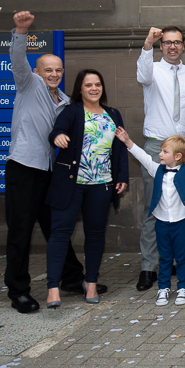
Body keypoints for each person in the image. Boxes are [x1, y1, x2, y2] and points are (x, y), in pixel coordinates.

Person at [4, 11, 87, 313]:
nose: (53, 74)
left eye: (58, 70)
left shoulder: (65, 102)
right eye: (48, 70)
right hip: (23, 169)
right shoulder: (28, 85)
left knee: (57, 228)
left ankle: (71, 278)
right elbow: (17, 61)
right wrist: (21, 32)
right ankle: (18, 290)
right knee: (20, 231)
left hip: (48, 173)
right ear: (38, 72)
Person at [44, 70, 129, 309]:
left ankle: (91, 282)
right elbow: (55, 131)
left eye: (97, 84)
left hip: (101, 185)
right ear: (79, 89)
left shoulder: (113, 114)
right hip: (71, 184)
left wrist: (121, 176)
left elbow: (120, 148)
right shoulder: (71, 111)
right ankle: (53, 288)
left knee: (95, 234)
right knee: (60, 233)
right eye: (88, 85)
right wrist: (59, 136)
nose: (93, 88)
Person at [136, 25, 185, 291]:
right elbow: (142, 73)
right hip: (157, 148)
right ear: (162, 46)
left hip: (184, 150)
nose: (173, 46)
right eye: (168, 43)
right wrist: (147, 44)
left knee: (182, 208)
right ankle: (149, 267)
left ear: (184, 46)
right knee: (155, 207)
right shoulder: (152, 70)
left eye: (178, 42)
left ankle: (177, 262)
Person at [116, 125, 185, 307]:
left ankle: (183, 288)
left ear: (178, 157)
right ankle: (163, 288)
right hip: (162, 222)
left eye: (165, 151)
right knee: (164, 257)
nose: (160, 154)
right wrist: (127, 141)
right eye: (161, 151)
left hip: (181, 222)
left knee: (181, 256)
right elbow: (142, 156)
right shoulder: (156, 170)